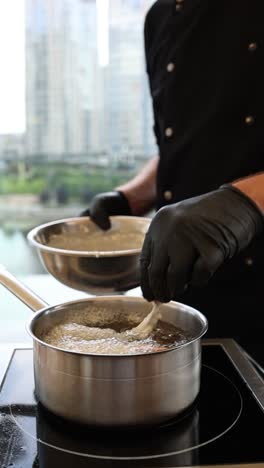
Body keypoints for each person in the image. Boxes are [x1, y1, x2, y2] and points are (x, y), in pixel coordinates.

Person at [82, 1, 264, 362]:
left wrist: (245, 203)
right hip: (187, 292)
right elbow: (178, 144)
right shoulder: (161, 17)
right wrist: (130, 197)